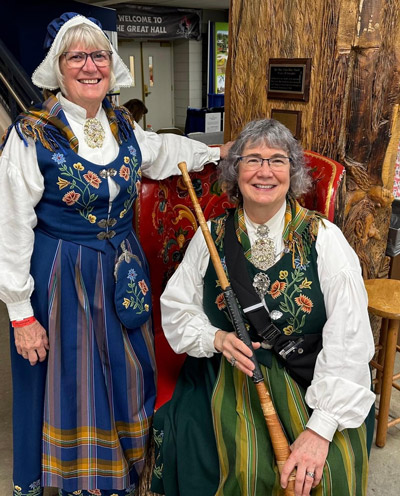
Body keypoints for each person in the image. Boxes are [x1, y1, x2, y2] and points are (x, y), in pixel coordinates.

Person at [0, 12, 231, 496]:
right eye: (77, 56)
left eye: (99, 55)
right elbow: (12, 225)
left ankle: (127, 474)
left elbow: (160, 150)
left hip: (123, 272)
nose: (90, 66)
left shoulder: (122, 123)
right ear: (57, 68)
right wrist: (21, 313)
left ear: (112, 64)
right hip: (61, 277)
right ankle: (75, 483)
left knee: (126, 373)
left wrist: (216, 152)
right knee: (71, 383)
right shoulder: (32, 133)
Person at [150, 118, 376, 496]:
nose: (265, 172)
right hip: (226, 373)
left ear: (294, 172)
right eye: (252, 159)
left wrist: (320, 431)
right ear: (235, 171)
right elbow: (177, 309)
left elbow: (349, 338)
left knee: (330, 472)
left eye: (277, 160)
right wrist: (218, 338)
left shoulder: (325, 240)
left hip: (308, 373)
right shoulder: (211, 236)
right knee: (242, 467)